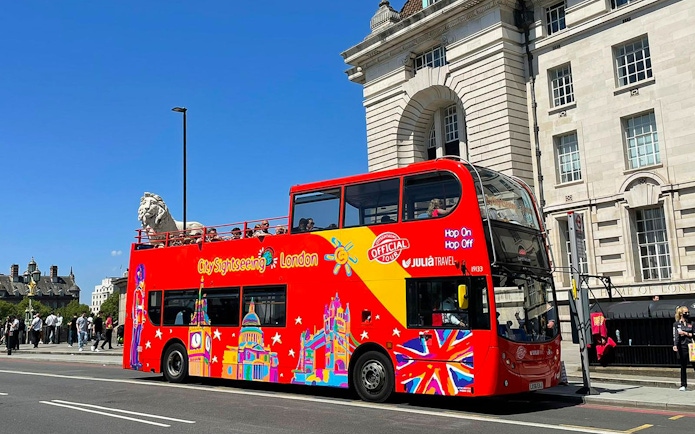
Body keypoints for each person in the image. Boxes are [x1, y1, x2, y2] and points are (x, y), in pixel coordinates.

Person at [673, 305, 695, 391]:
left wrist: (685, 333)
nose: (688, 314)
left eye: (688, 312)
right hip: (682, 347)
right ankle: (683, 384)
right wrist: (675, 345)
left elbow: (694, 334)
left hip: (691, 346)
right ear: (681, 313)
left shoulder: (691, 323)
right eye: (686, 312)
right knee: (683, 366)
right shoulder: (676, 324)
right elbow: (675, 335)